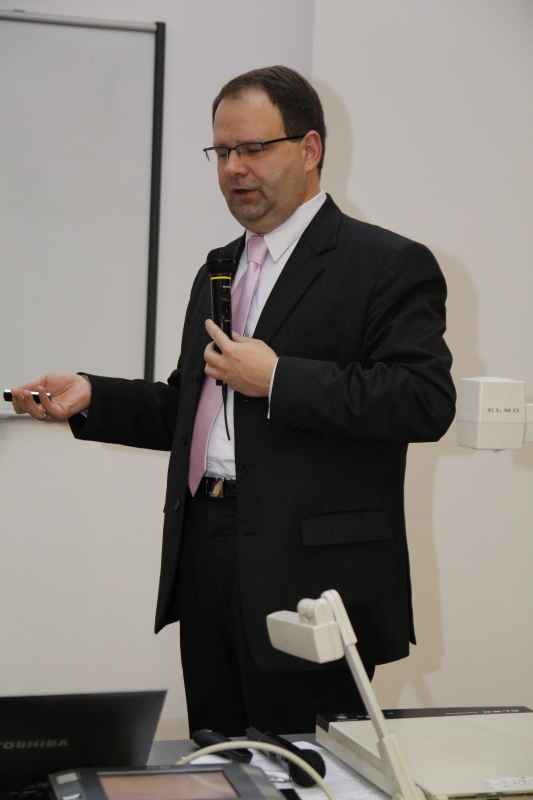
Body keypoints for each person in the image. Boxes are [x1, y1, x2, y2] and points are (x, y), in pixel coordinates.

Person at [11, 66, 455, 735]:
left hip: (313, 573)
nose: (233, 169)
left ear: (309, 149)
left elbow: (424, 399)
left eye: (252, 149)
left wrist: (279, 379)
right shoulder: (219, 266)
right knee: (217, 762)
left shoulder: (386, 264)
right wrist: (92, 396)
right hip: (208, 551)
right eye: (221, 152)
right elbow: (192, 413)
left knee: (305, 768)